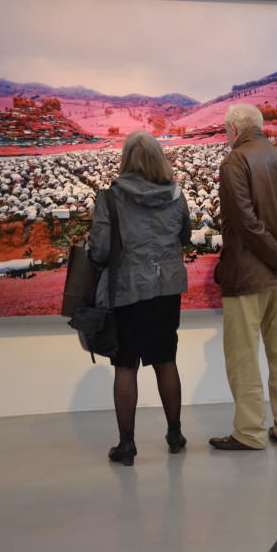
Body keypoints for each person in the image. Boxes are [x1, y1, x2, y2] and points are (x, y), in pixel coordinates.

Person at [209, 103, 277, 451]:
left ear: (232, 128)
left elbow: (246, 224)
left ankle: (250, 433)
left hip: (247, 279)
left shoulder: (234, 163)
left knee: (244, 358)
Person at [87, 130, 191, 466]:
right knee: (165, 359)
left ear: (127, 159)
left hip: (127, 290)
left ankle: (127, 446)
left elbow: (100, 251)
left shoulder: (110, 198)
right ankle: (175, 435)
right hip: (166, 288)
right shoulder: (177, 195)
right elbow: (185, 235)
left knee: (126, 365)